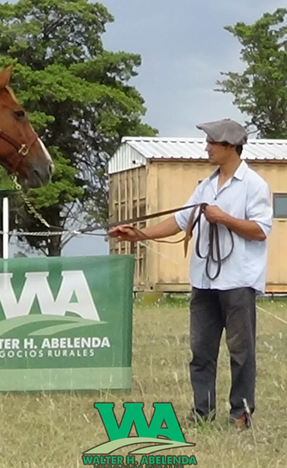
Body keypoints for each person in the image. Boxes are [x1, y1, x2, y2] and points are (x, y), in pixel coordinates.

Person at [108, 118, 273, 429]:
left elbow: (260, 230)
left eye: (212, 142)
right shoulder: (205, 186)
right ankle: (202, 412)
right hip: (204, 281)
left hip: (238, 281)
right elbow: (179, 221)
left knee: (241, 352)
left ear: (230, 146)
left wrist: (223, 218)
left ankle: (240, 414)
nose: (206, 147)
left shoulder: (254, 185)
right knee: (201, 351)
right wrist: (139, 235)